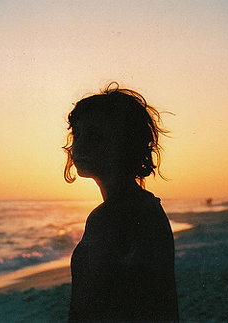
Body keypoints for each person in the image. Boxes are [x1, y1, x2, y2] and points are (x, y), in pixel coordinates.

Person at [63, 83, 179, 323]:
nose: (80, 145)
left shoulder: (111, 216)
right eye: (77, 134)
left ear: (126, 143)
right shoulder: (146, 207)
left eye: (94, 136)